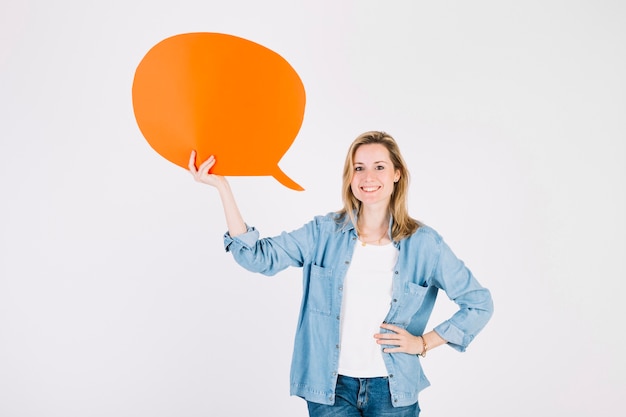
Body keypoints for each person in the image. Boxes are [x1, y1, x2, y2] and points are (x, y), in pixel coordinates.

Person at [189, 131, 493, 417]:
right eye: (359, 168)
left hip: (393, 391)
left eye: (379, 167)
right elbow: (257, 257)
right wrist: (223, 187)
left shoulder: (425, 244)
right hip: (331, 390)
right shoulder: (324, 232)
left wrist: (423, 343)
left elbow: (479, 304)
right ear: (350, 177)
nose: (368, 177)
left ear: (397, 174)